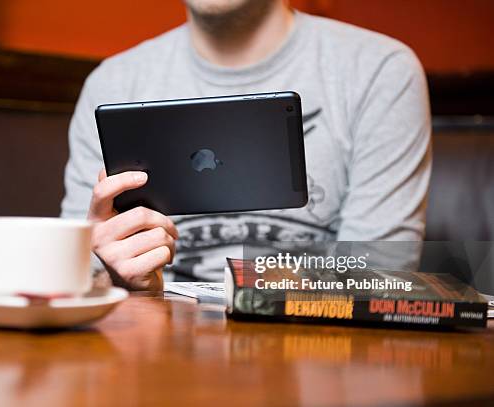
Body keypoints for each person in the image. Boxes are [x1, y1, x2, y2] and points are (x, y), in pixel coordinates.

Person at [61, 0, 432, 290]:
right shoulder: (112, 83)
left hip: (315, 350)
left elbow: (377, 274)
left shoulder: (380, 71)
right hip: (157, 354)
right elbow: (77, 279)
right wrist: (123, 280)